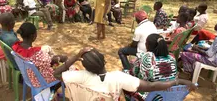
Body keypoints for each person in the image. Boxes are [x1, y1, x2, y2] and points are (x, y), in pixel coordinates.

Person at [62, 47, 197, 101]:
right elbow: (152, 86)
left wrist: (75, 56)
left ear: (85, 67)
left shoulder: (79, 76)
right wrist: (178, 81)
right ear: (105, 61)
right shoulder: (118, 77)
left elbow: (57, 74)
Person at [12, 22, 68, 87]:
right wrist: (59, 58)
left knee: (49, 51)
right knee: (64, 67)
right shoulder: (36, 54)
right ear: (33, 36)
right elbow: (50, 61)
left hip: (28, 75)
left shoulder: (16, 46)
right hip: (39, 80)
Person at [125, 34, 177, 100]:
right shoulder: (172, 57)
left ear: (148, 45)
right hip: (169, 94)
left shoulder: (146, 57)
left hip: (150, 96)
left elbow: (134, 73)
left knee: (124, 78)